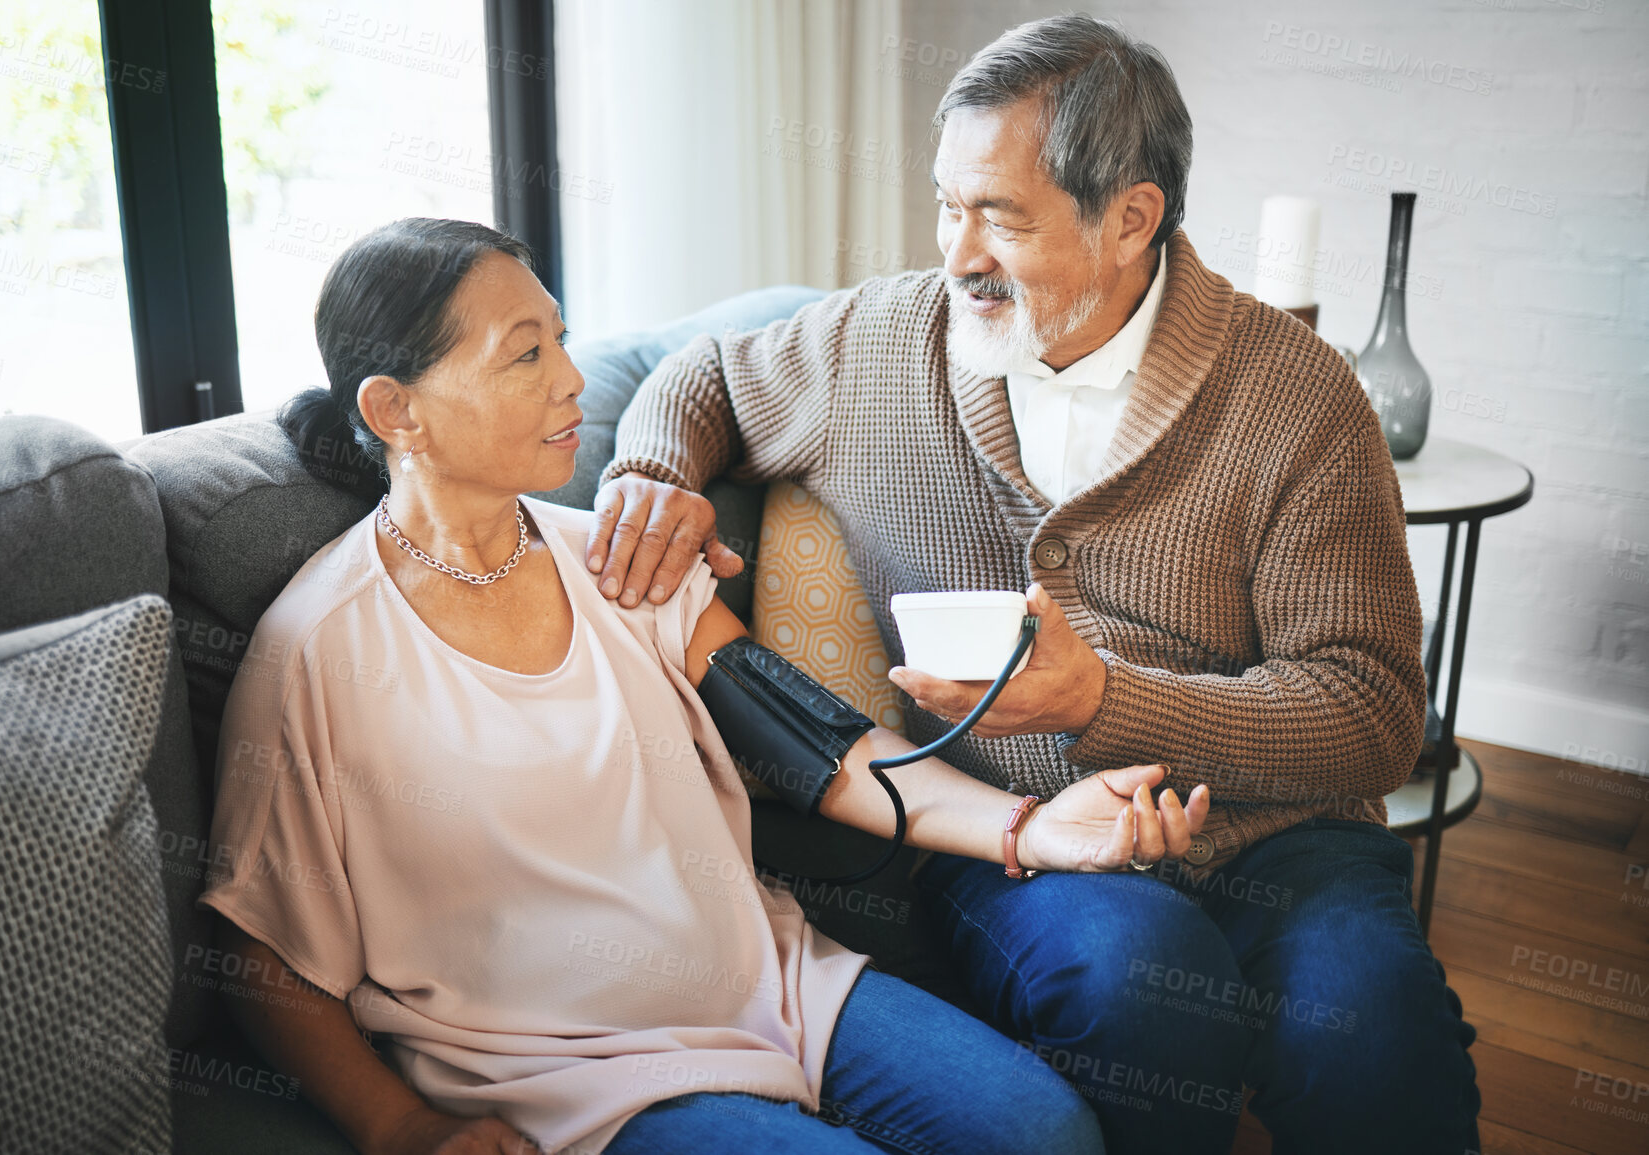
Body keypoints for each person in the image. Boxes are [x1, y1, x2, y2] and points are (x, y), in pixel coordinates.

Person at [585, 14, 1482, 1155]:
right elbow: (698, 374)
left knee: (1377, 1041)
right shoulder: (883, 342)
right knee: (1142, 989)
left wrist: (1101, 702)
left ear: (1131, 219)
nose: (958, 252)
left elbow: (1372, 719)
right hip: (1030, 840)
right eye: (950, 205)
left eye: (1000, 217)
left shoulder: (1299, 398)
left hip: (1283, 834)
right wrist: (656, 471)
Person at [197, 216, 1214, 1155]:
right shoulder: (320, 650)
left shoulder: (623, 563)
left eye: (560, 339)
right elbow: (263, 949)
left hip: (770, 985)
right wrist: (400, 1129)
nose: (570, 383)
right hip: (562, 1074)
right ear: (394, 409)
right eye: (525, 355)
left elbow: (829, 754)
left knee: (1047, 1135)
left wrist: (1031, 829)